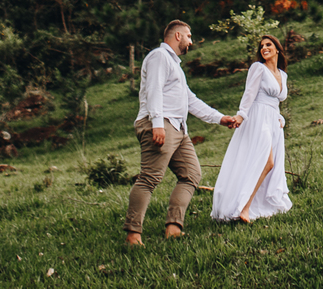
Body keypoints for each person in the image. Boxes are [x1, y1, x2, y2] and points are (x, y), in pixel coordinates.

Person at [124, 20, 239, 245]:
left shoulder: (174, 65)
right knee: (149, 178)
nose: (191, 41)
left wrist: (219, 118)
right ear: (177, 36)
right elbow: (153, 90)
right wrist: (157, 123)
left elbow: (190, 100)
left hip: (178, 128)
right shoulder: (159, 57)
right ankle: (132, 234)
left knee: (191, 175)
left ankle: (174, 228)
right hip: (160, 124)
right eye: (188, 36)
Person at [210, 34, 292, 223]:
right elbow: (250, 94)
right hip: (258, 118)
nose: (264, 48)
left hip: (273, 122)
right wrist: (241, 115)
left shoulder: (283, 75)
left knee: (270, 164)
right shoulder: (258, 68)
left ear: (277, 48)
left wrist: (280, 118)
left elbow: (276, 101)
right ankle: (243, 208)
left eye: (269, 44)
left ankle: (250, 205)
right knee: (267, 161)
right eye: (262, 46)